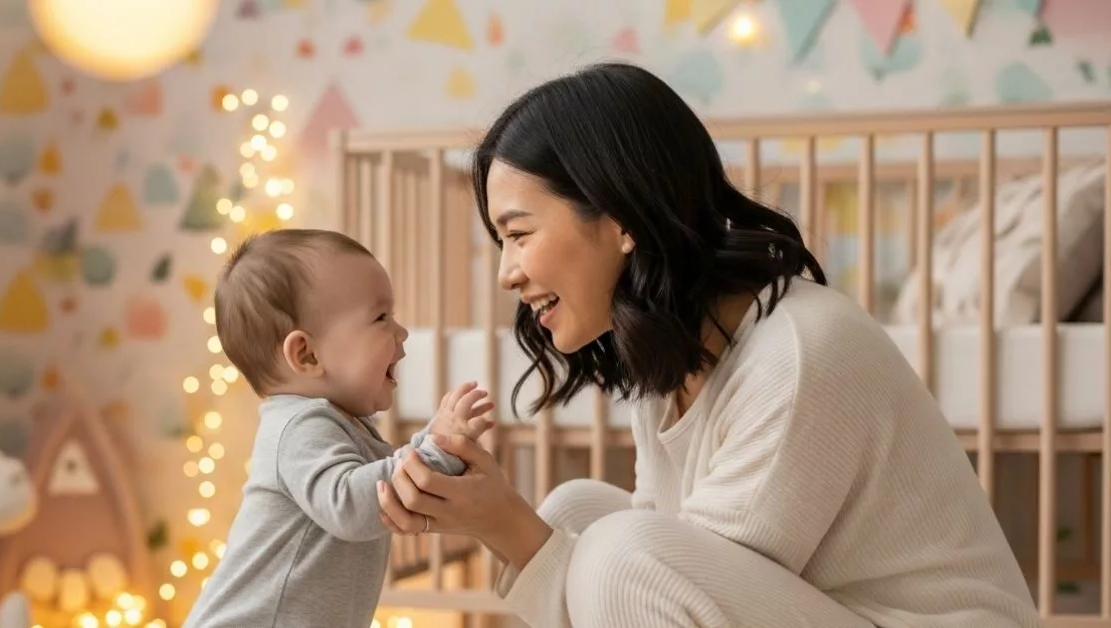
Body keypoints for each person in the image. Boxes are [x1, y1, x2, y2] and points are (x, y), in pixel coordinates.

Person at [374, 62, 1042, 627]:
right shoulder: (674, 352)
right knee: (577, 511)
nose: (505, 272)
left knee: (615, 553)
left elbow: (654, 584)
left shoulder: (799, 353)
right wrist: (504, 523)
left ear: (621, 220)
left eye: (518, 234)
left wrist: (505, 525)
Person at [184, 229, 495, 628]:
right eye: (381, 318)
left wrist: (440, 441)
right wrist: (434, 448)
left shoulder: (344, 424)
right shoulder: (298, 426)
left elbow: (393, 478)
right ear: (307, 353)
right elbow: (350, 503)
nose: (401, 333)